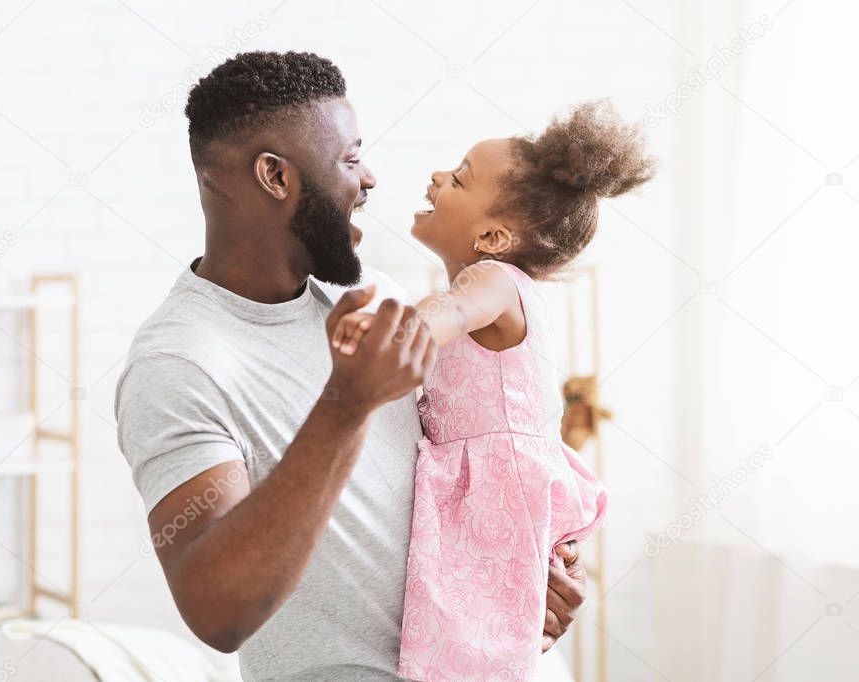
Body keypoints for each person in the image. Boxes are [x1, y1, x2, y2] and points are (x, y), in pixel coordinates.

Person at [114, 51, 586, 681]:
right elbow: (216, 611)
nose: (370, 180)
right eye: (350, 158)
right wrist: (345, 406)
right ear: (276, 177)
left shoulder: (373, 296)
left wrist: (521, 571)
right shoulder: (181, 362)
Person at [333, 100, 654, 680]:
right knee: (478, 633)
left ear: (493, 235)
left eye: (458, 178)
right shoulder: (508, 286)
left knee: (464, 635)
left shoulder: (493, 281)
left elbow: (451, 312)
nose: (436, 177)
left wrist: (394, 330)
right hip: (498, 480)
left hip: (493, 483)